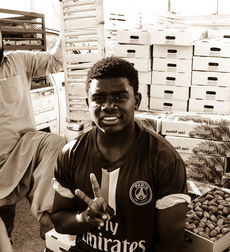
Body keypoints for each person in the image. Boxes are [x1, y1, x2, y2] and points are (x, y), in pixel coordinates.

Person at [50, 56, 190, 252]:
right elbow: (59, 220)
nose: (108, 106)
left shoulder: (164, 160)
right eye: (98, 98)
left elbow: (171, 244)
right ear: (87, 103)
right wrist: (85, 218)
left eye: (120, 97)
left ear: (137, 101)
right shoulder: (71, 153)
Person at [0, 29, 66, 240]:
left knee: (55, 142)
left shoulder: (19, 61)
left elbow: (55, 61)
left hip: (22, 152)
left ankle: (46, 216)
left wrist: (67, 27)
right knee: (3, 231)